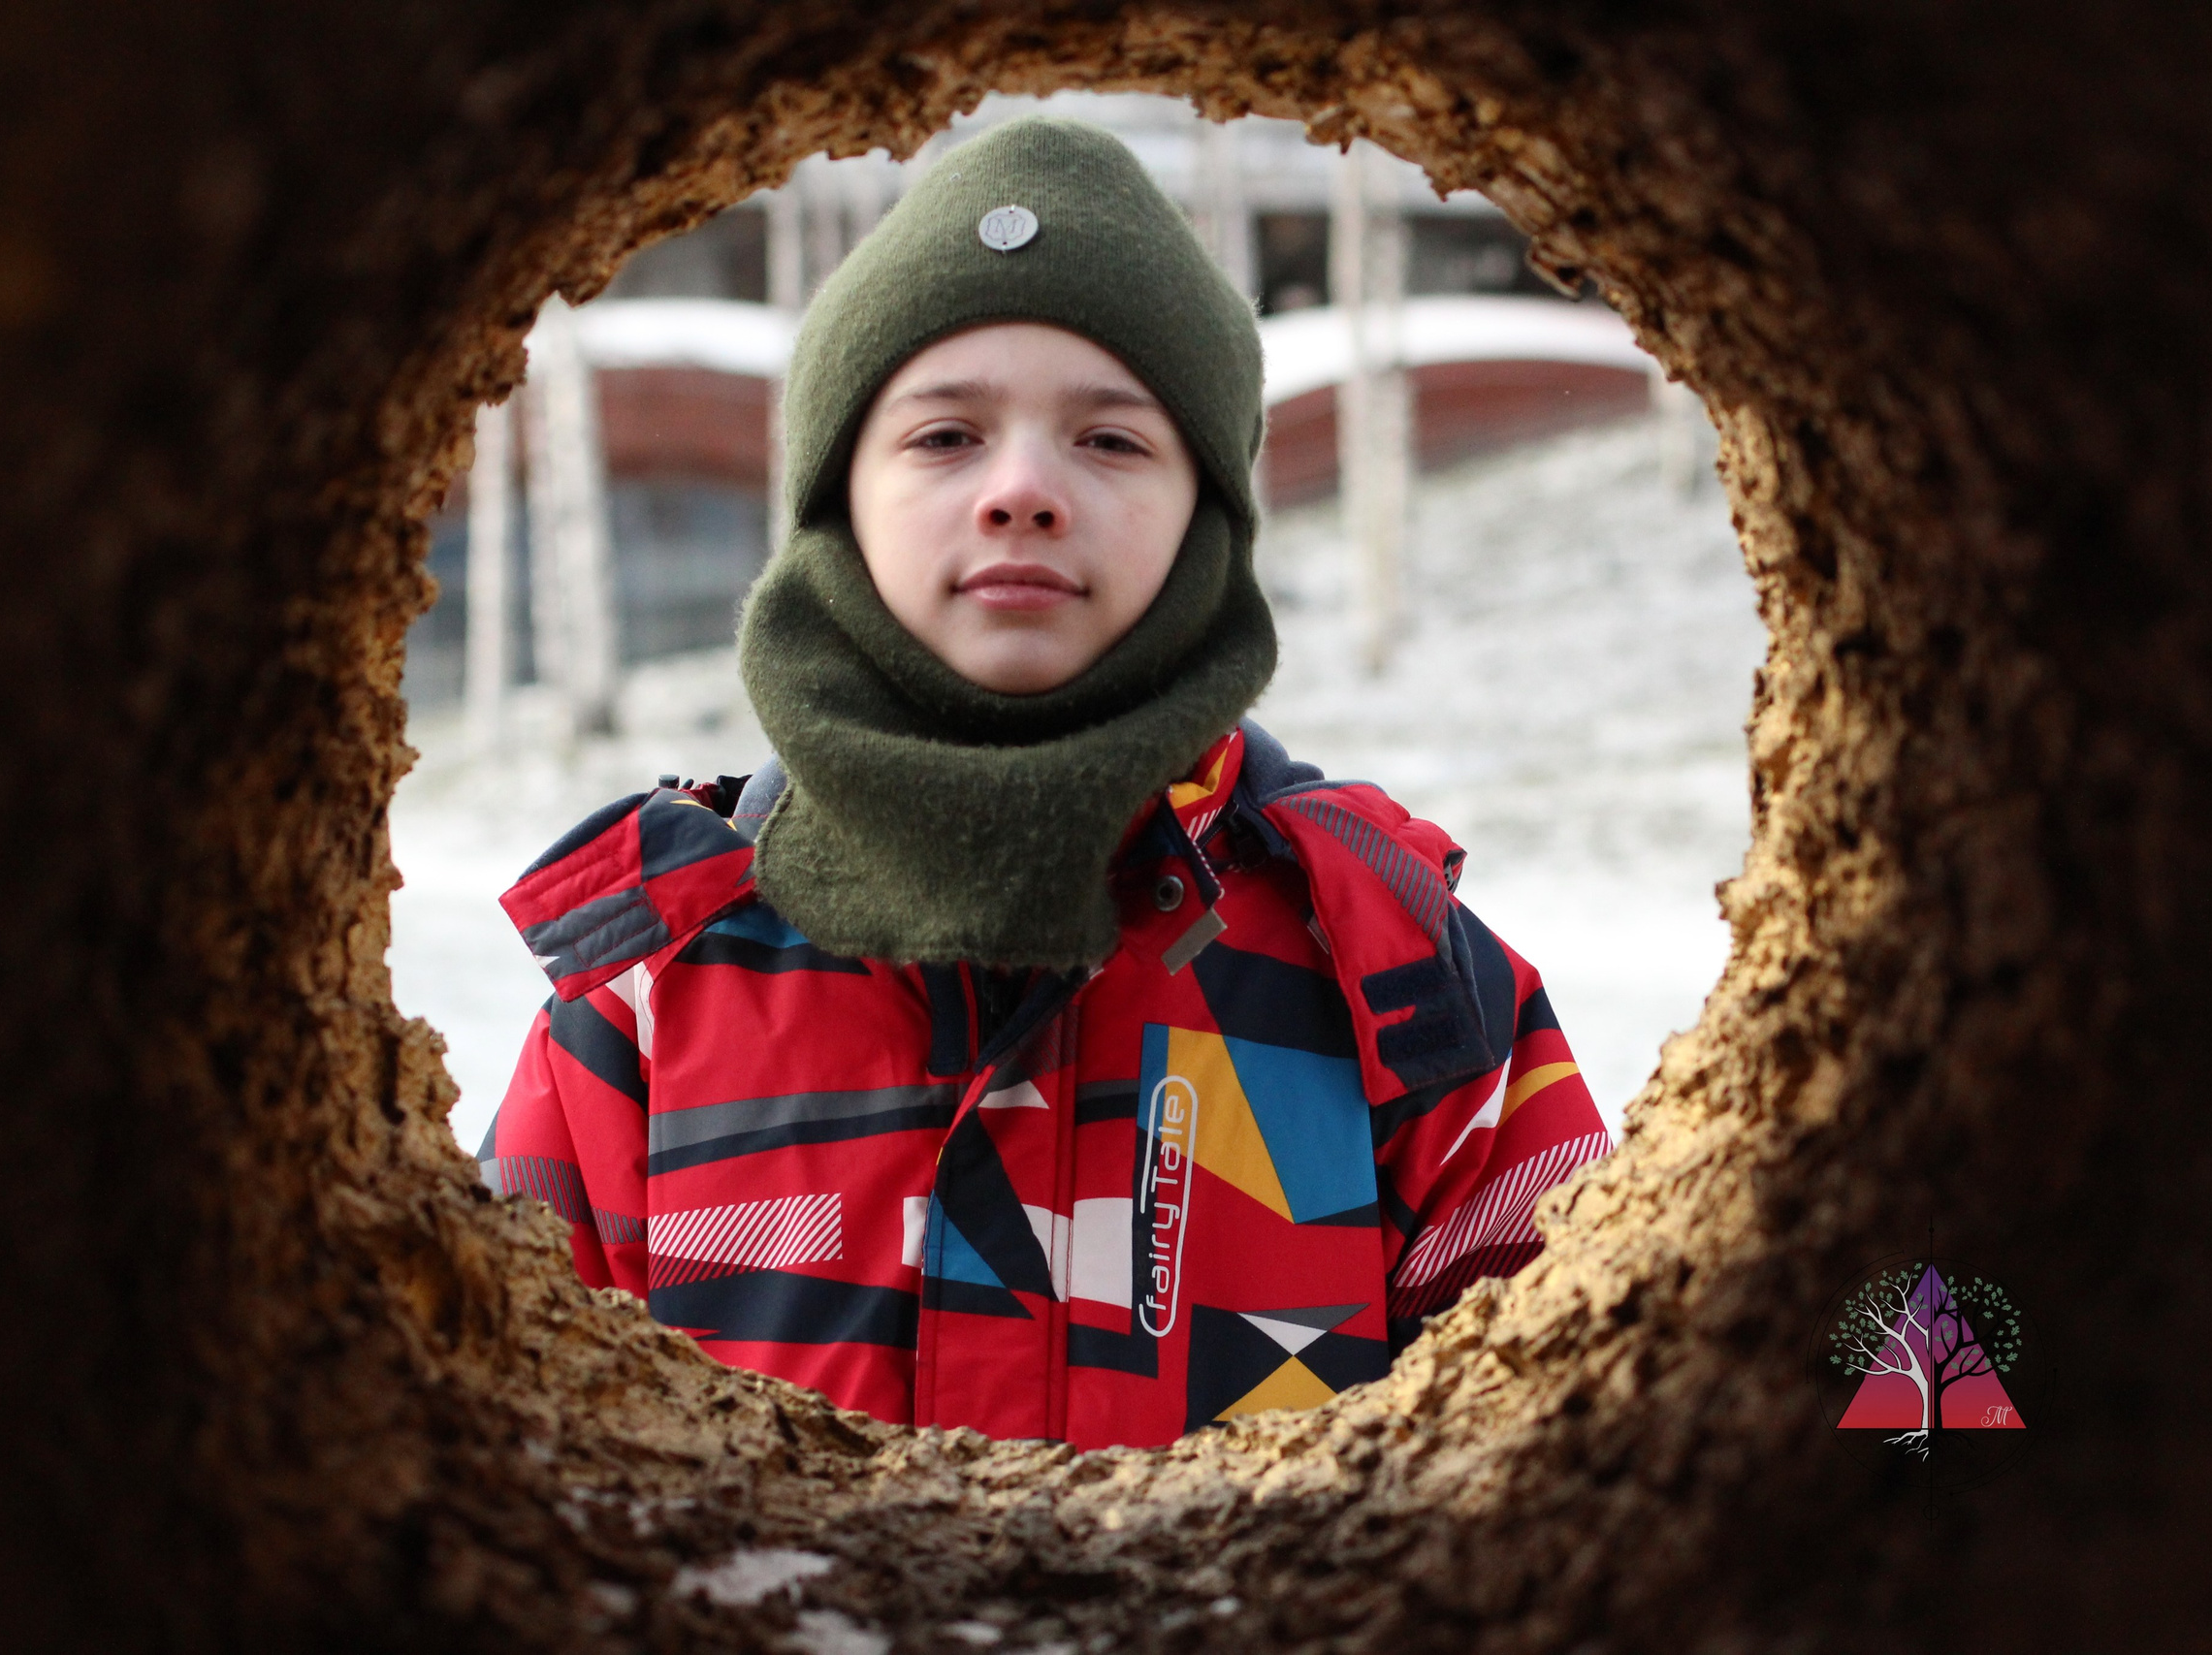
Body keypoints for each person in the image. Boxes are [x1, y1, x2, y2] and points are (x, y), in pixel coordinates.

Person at [478, 115, 1610, 1449]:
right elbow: (507, 1448)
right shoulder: (654, 993)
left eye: (1113, 442)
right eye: (946, 436)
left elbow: (1583, 1433)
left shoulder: (1399, 977)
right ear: (843, 497)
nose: (1023, 489)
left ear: (1208, 514)